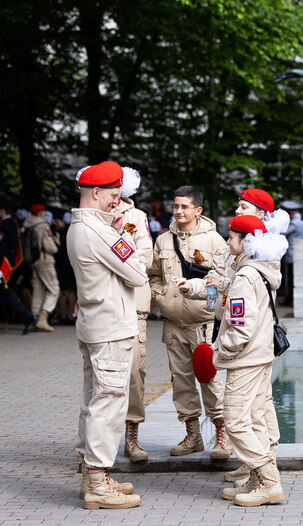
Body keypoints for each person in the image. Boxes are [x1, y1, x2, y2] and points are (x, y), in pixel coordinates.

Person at [179, 188, 288, 486]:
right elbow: (225, 281)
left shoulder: (263, 254)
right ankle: (252, 467)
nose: (238, 211)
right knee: (254, 410)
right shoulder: (245, 252)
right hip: (253, 343)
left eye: (243, 207)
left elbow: (242, 295)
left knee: (247, 414)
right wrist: (201, 287)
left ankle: (265, 473)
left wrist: (219, 352)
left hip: (246, 347)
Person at [67, 161, 146, 509]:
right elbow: (137, 273)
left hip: (95, 323)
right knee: (109, 401)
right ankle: (98, 482)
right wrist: (121, 234)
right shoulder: (99, 232)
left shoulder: (78, 227)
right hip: (111, 326)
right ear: (96, 193)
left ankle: (91, 476)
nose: (118, 202)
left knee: (93, 399)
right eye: (114, 195)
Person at [148, 185, 231, 458]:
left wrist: (206, 304)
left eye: (184, 206)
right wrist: (161, 296)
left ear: (198, 210)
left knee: (210, 379)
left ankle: (222, 434)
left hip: (203, 324)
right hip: (173, 323)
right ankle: (193, 435)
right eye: (175, 206)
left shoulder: (215, 242)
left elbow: (222, 283)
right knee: (181, 381)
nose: (178, 211)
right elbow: (154, 275)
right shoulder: (162, 240)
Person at [213, 215, 287, 506]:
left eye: (231, 237)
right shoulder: (261, 270)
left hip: (245, 359)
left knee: (235, 421)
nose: (227, 241)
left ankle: (268, 481)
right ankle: (260, 480)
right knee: (255, 418)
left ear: (245, 242)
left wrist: (223, 350)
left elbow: (241, 326)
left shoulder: (245, 276)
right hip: (260, 355)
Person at [116, 167, 154, 463]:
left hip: (133, 304)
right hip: (104, 304)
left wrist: (117, 261)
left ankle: (132, 435)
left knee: (135, 372)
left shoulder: (136, 218)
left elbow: (145, 256)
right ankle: (90, 445)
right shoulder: (90, 216)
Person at [22, 204, 60, 331]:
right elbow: (50, 247)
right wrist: (55, 245)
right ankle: (43, 317)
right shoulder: (43, 226)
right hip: (45, 260)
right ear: (41, 213)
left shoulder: (27, 224)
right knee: (54, 289)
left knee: (38, 289)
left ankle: (34, 317)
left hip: (33, 261)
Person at [0, 200, 35, 334]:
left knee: (6, 294)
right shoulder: (10, 224)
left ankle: (28, 317)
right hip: (4, 263)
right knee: (5, 294)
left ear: (3, 211)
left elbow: (6, 249)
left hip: (3, 265)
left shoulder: (7, 225)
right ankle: (27, 317)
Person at [281, 200, 303, 306]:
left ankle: (289, 300)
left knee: (291, 279)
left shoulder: (294, 223)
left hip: (292, 255)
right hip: (299, 253)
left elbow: (282, 232)